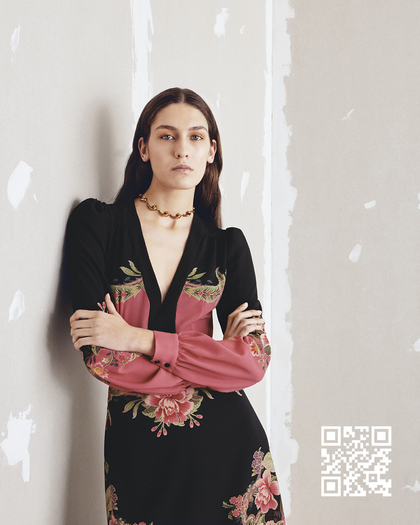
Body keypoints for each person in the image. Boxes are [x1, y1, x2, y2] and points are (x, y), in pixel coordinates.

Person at [67, 87, 285, 525]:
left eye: (196, 137)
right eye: (167, 136)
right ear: (144, 148)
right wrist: (215, 359)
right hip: (141, 454)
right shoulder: (100, 225)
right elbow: (104, 359)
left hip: (230, 452)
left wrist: (136, 338)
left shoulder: (227, 247)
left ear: (211, 151)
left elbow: (254, 363)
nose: (182, 148)